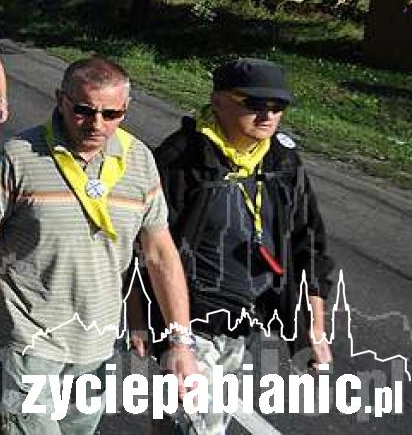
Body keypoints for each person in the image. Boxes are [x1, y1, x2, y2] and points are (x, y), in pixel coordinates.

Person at [0, 56, 198, 434]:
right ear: (60, 99)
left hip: (97, 340)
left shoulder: (139, 162)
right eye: (84, 110)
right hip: (28, 332)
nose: (97, 124)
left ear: (125, 109)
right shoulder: (20, 155)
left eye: (112, 114)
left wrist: (180, 340)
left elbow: (159, 253)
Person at [141, 58, 334, 435]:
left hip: (243, 323)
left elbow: (308, 244)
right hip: (189, 318)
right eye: (253, 104)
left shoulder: (283, 162)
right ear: (218, 101)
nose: (267, 115)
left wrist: (315, 329)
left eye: (277, 107)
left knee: (200, 422)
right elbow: (147, 248)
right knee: (198, 425)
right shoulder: (181, 159)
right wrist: (160, 331)